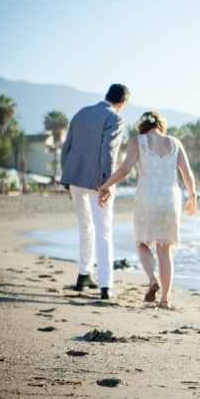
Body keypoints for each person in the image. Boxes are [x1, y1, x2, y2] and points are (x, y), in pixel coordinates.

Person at [98, 111, 196, 309]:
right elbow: (187, 173)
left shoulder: (138, 141)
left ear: (142, 126)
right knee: (164, 249)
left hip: (147, 197)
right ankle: (165, 300)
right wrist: (192, 197)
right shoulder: (175, 143)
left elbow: (124, 170)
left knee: (142, 242)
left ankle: (152, 279)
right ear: (161, 125)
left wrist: (104, 186)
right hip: (170, 198)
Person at [60, 84, 129, 300]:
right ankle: (106, 287)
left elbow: (66, 149)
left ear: (106, 96)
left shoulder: (81, 113)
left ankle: (84, 275)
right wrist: (107, 184)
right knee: (103, 233)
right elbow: (109, 152)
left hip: (75, 180)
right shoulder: (116, 119)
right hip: (99, 183)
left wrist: (67, 182)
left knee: (85, 228)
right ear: (122, 104)